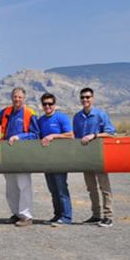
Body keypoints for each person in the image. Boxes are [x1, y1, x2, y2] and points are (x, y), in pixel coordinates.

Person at [0, 87, 40, 227]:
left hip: (22, 154)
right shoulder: (7, 111)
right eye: (14, 97)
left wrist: (19, 137)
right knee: (11, 186)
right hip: (7, 154)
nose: (17, 99)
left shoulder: (30, 113)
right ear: (11, 97)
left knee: (23, 185)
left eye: (19, 97)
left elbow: (35, 134)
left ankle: (26, 216)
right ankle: (16, 213)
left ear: (24, 98)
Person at [73, 87, 117, 228]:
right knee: (91, 187)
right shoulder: (77, 117)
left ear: (93, 98)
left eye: (88, 97)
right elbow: (76, 138)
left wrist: (95, 135)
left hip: (99, 156)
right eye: (83, 97)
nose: (85, 100)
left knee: (104, 186)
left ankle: (108, 216)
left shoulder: (100, 115)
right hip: (85, 157)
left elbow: (111, 133)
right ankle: (96, 215)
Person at [37, 93, 74, 226]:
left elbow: (70, 135)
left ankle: (66, 217)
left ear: (55, 105)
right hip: (47, 160)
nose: (48, 106)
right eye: (45, 104)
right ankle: (57, 214)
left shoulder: (61, 118)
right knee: (53, 189)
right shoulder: (41, 120)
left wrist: (53, 135)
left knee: (61, 188)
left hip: (60, 159)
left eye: (50, 104)